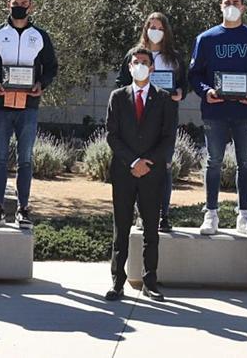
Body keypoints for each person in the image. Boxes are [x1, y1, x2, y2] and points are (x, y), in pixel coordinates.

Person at [188, 0, 247, 235]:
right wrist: (206, 92)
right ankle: (211, 213)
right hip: (215, 112)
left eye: (236, 1)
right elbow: (194, 75)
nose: (231, 5)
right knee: (213, 161)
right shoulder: (206, 39)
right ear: (220, 6)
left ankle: (244, 214)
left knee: (246, 162)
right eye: (227, 2)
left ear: (243, 7)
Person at [0, 0, 59, 228]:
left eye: (24, 2)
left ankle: (23, 209)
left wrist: (42, 84)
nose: (19, 6)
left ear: (31, 6)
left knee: (26, 159)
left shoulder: (40, 35)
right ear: (7, 4)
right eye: (15, 2)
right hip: (0, 106)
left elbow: (52, 67)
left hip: (28, 107)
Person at [104, 48, 175, 302]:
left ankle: (150, 281)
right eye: (136, 62)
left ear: (152, 68)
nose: (141, 66)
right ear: (130, 67)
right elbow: (112, 135)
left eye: (145, 62)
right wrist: (132, 161)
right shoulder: (117, 97)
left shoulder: (164, 99)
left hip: (152, 173)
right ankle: (117, 282)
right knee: (120, 228)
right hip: (124, 171)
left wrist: (149, 162)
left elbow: (168, 137)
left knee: (151, 231)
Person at [115, 13, 187, 232]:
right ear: (145, 29)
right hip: (136, 121)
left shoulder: (173, 57)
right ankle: (140, 215)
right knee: (137, 165)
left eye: (159, 27)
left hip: (165, 121)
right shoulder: (133, 55)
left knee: (163, 167)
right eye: (151, 27)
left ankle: (163, 214)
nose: (155, 31)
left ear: (166, 31)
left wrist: (180, 93)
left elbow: (185, 83)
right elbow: (121, 82)